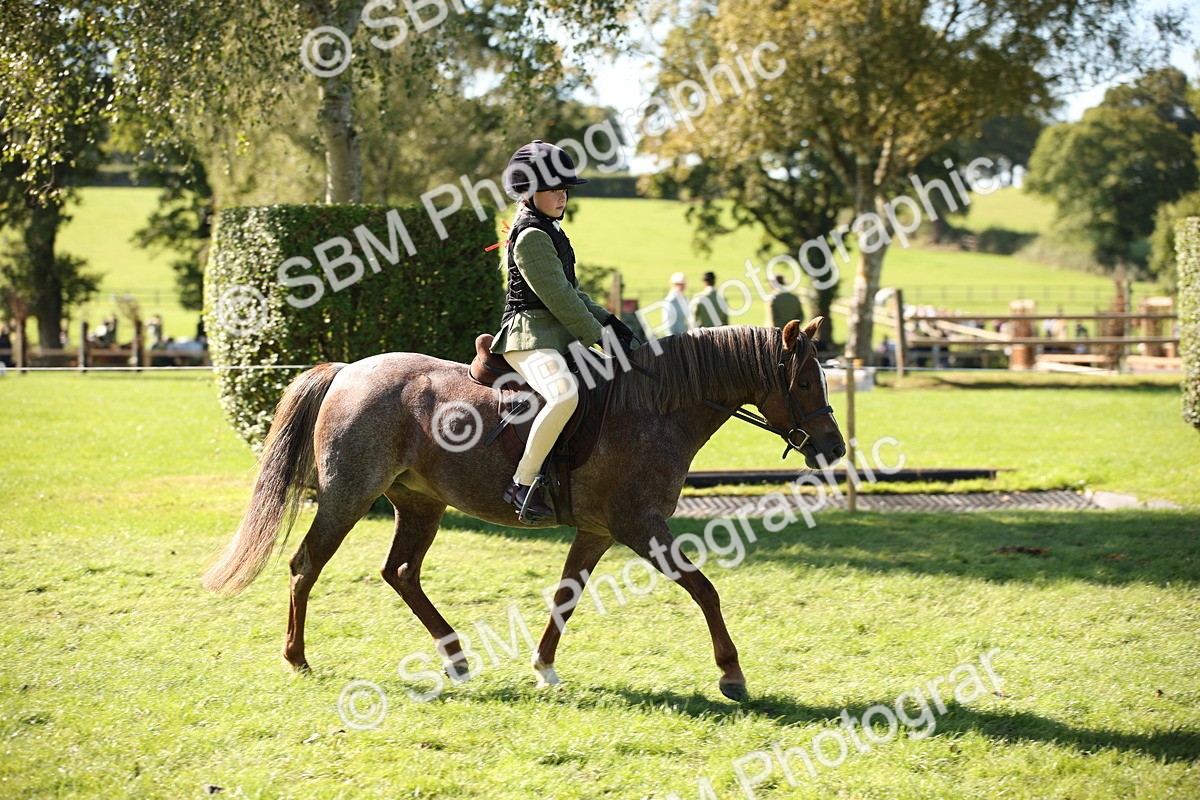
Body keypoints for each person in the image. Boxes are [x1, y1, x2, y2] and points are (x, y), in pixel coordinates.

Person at [489, 140, 637, 523]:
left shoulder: (551, 230)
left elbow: (573, 292)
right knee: (564, 394)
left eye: (565, 188)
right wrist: (600, 339)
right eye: (554, 188)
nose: (562, 195)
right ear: (529, 191)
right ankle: (522, 485)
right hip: (528, 338)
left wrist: (609, 321)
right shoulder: (532, 236)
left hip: (556, 335)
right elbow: (560, 301)